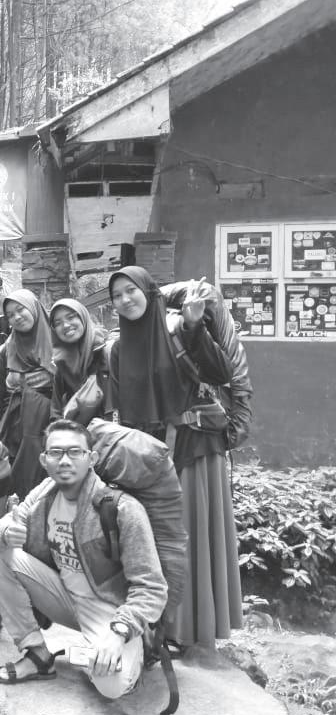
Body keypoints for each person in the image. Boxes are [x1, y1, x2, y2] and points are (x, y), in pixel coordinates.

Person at [0, 419, 167, 699]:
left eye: (75, 452)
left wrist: (119, 633)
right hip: (63, 596)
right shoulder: (44, 494)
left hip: (108, 609)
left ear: (91, 458)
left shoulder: (121, 508)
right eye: (56, 453)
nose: (64, 460)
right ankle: (38, 654)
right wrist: (5, 533)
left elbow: (152, 587)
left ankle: (131, 652)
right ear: (44, 460)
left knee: (111, 685)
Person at [108, 266, 239, 649]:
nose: (125, 300)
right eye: (117, 295)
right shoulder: (119, 348)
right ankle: (152, 624)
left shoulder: (178, 328)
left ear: (149, 291)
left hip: (193, 447)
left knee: (186, 536)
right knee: (150, 540)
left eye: (131, 290)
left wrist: (195, 327)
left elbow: (221, 372)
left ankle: (186, 631)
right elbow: (122, 411)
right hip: (148, 455)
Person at [0, 289, 55, 499]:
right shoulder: (4, 353)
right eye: (10, 315)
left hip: (52, 433)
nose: (16, 317)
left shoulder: (61, 346)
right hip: (15, 436)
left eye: (20, 309)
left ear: (34, 307)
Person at [48, 298, 109, 425]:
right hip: (77, 433)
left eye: (71, 317)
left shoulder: (105, 350)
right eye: (58, 323)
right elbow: (56, 410)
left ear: (82, 317)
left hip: (110, 428)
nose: (65, 325)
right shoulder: (61, 363)